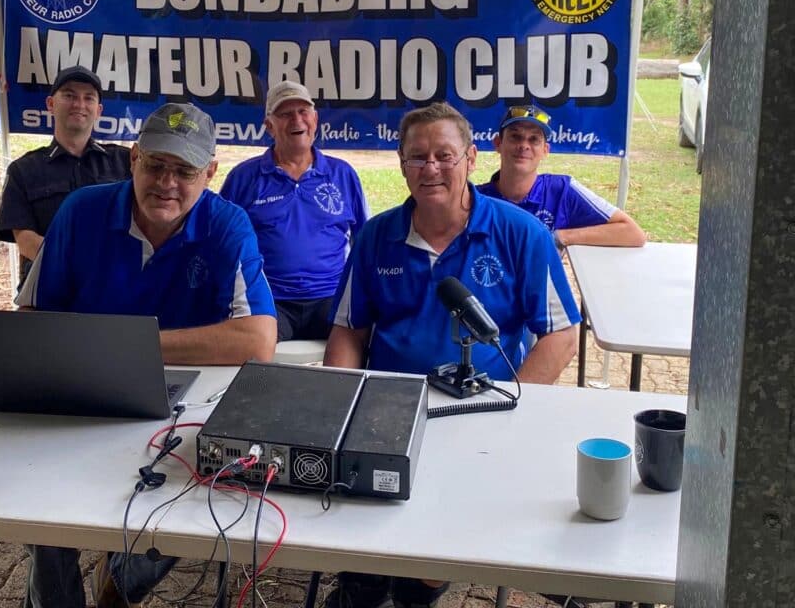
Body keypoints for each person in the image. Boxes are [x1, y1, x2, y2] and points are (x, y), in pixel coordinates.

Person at [16, 102, 277, 608]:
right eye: (155, 165)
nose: (167, 183)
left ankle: (120, 579)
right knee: (42, 508)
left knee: (197, 490)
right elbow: (33, 319)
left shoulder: (227, 225)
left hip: (184, 407)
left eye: (184, 171)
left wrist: (129, 344)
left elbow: (258, 340)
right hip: (82, 390)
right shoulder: (80, 211)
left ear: (210, 174)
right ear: (132, 159)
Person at [323, 102, 580, 608]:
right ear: (401, 164)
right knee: (362, 526)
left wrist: (509, 405)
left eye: (444, 155)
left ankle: (423, 582)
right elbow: (350, 330)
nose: (431, 168)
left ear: (470, 158)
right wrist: (337, 403)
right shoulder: (377, 235)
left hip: (478, 410)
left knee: (434, 542)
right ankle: (364, 576)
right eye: (417, 157)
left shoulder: (520, 234)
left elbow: (560, 336)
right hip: (387, 408)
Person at [220, 81, 368, 341]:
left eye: (303, 112)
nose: (296, 120)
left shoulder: (342, 174)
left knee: (364, 345)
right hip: (267, 299)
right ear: (269, 126)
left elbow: (365, 241)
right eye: (285, 114)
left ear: (315, 118)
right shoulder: (243, 177)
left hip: (330, 297)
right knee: (251, 355)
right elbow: (221, 243)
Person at [0, 65, 131, 282]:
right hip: (49, 288)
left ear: (99, 110)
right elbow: (26, 240)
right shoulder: (24, 170)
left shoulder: (125, 162)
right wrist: (76, 266)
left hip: (113, 286)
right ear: (50, 104)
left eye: (89, 98)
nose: (79, 104)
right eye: (69, 95)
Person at [477, 104, 646, 248]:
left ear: (545, 150)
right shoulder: (475, 198)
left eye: (534, 139)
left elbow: (633, 233)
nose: (524, 145)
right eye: (515, 137)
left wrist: (560, 237)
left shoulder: (562, 190)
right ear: (498, 144)